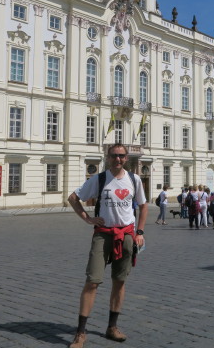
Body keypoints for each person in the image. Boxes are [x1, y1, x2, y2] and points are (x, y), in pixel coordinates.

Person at [66, 143, 147, 346]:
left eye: (121, 156)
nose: (117, 159)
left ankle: (112, 327)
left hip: (126, 235)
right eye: (113, 156)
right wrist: (87, 219)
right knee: (92, 281)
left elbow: (143, 205)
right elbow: (73, 198)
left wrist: (140, 232)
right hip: (103, 235)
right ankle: (81, 332)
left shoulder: (134, 179)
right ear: (107, 157)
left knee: (119, 281)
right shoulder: (100, 179)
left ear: (126, 158)